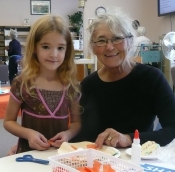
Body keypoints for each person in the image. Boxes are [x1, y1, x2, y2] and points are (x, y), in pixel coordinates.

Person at [71, 8, 175, 149]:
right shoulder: (87, 85)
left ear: (130, 41)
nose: (109, 46)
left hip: (136, 163)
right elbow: (81, 135)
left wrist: (128, 138)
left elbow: (171, 128)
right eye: (101, 40)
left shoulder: (152, 78)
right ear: (93, 48)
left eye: (117, 38)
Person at [3, 15, 81, 154]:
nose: (54, 54)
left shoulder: (71, 86)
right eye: (46, 47)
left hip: (59, 156)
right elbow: (8, 121)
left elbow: (76, 123)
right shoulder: (22, 83)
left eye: (60, 48)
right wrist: (28, 134)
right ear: (34, 48)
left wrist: (68, 135)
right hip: (28, 154)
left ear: (67, 50)